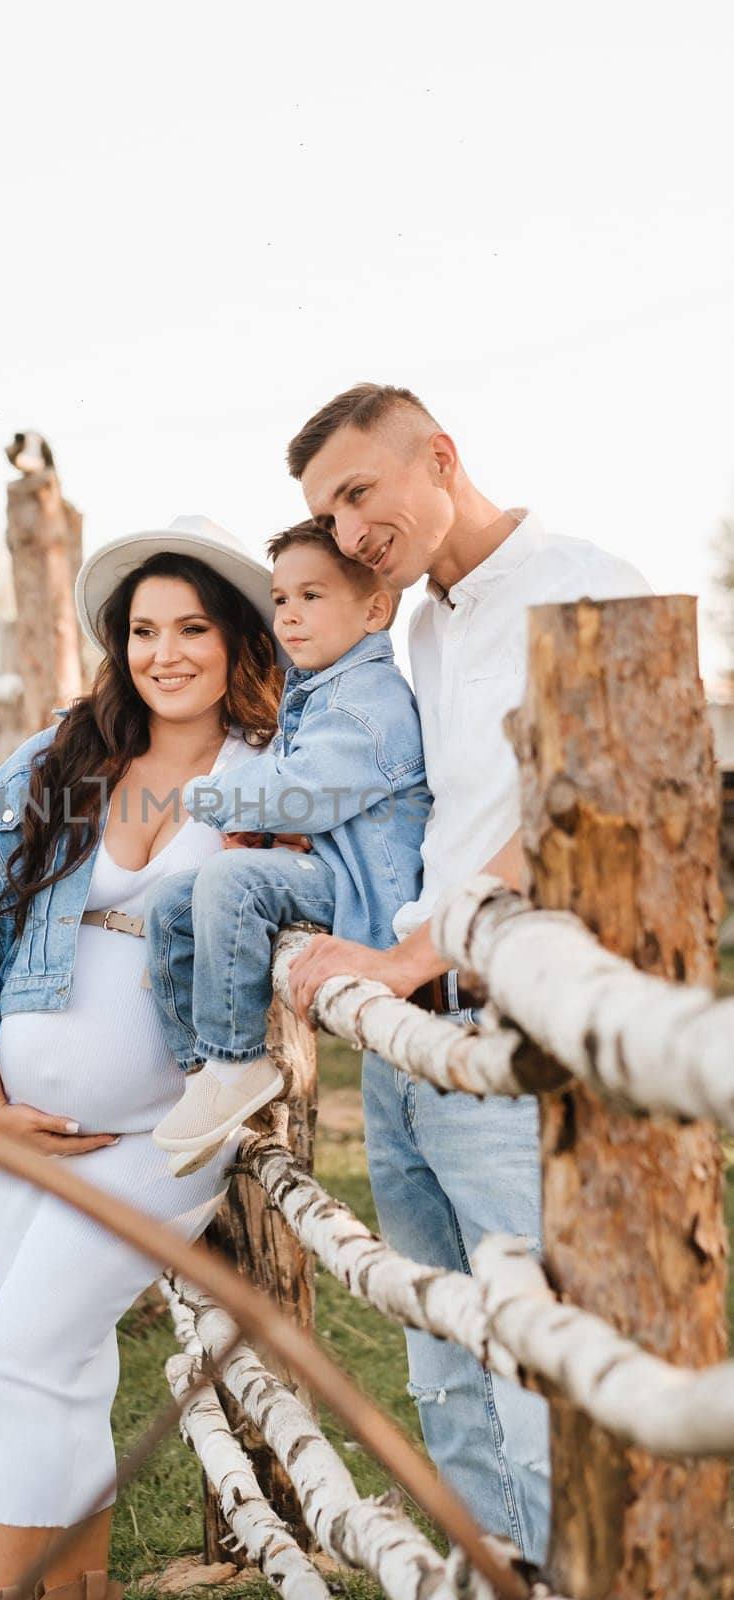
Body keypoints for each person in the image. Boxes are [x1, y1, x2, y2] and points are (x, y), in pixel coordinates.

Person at [282, 384, 650, 1566]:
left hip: (507, 1033)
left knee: (538, 1364)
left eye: (356, 493)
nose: (343, 535)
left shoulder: (588, 586)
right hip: (408, 1046)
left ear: (438, 456)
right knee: (442, 1359)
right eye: (322, 513)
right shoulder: (423, 624)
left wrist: (405, 957)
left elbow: (576, 810)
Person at [0, 515, 284, 1600]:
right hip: (17, 1123)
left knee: (9, 1356)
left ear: (236, 639)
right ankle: (77, 1590)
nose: (164, 654)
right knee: (61, 1365)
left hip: (161, 1133)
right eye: (144, 631)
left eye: (192, 629)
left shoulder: (273, 777)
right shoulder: (65, 756)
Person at [146, 520, 429, 1172]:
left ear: (374, 608)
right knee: (171, 904)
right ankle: (202, 1076)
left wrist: (208, 796)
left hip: (371, 899)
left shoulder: (368, 702)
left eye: (312, 596)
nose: (290, 617)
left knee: (233, 878)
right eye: (280, 600)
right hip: (327, 872)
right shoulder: (321, 687)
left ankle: (234, 1061)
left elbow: (302, 790)